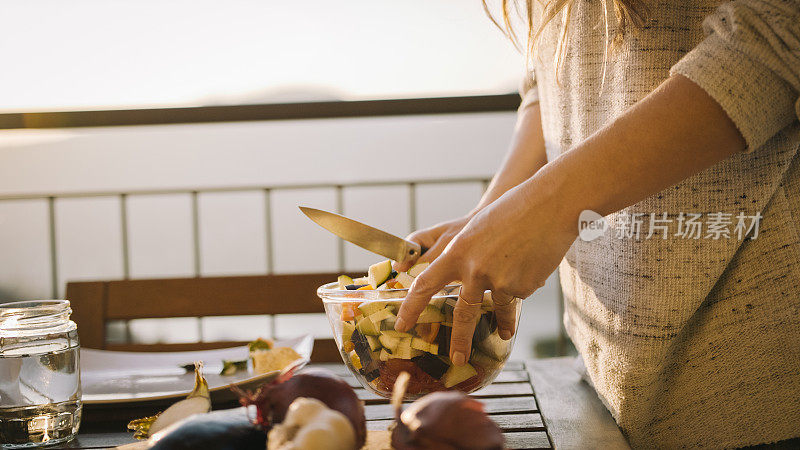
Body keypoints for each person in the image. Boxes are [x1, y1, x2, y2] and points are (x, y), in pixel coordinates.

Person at [392, 0, 800, 447]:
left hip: (759, 383)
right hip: (605, 382)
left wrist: (550, 207)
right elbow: (549, 81)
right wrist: (486, 218)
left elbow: (776, 36)